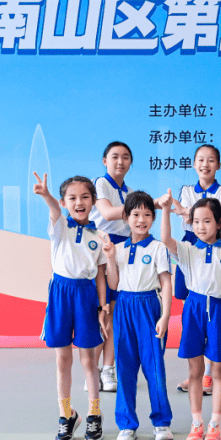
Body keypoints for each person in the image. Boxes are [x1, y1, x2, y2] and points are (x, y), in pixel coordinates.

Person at [34, 173, 110, 440]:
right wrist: (47, 196)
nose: (79, 202)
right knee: (62, 359)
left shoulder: (99, 236)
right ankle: (66, 415)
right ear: (64, 202)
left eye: (85, 197)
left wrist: (103, 307)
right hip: (60, 294)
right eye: (72, 198)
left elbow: (100, 275)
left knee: (89, 360)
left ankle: (94, 413)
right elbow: (54, 211)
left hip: (85, 295)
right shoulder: (60, 226)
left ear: (93, 201)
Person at [160, 197, 221, 440]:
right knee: (195, 371)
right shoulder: (187, 250)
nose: (201, 226)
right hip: (193, 309)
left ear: (219, 223)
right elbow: (165, 239)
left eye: (207, 221)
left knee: (218, 370)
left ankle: (215, 424)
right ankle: (197, 423)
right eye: (196, 221)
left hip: (219, 310)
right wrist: (165, 211)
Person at [102, 190, 174, 440]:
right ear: (126, 217)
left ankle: (161, 422)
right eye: (135, 214)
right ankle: (126, 425)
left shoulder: (158, 248)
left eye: (147, 214)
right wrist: (111, 259)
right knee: (125, 367)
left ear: (153, 218)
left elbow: (166, 283)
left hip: (148, 307)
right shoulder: (119, 249)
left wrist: (165, 316)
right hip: (124, 306)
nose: (141, 220)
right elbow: (113, 284)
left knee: (154, 368)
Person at [175, 144, 221, 394]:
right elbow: (187, 215)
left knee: (216, 315)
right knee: (192, 308)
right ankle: (197, 373)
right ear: (194, 164)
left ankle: (210, 375)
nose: (205, 164)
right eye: (201, 160)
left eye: (211, 160)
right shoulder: (186, 190)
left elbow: (215, 216)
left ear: (219, 165)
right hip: (190, 250)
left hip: (215, 248)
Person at [88, 141, 136, 393]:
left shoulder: (129, 192)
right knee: (102, 313)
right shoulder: (100, 183)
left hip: (122, 254)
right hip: (103, 252)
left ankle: (108, 369)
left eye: (125, 157)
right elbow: (106, 214)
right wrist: (145, 205)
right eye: (115, 156)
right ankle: (92, 370)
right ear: (104, 160)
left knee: (115, 315)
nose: (120, 161)